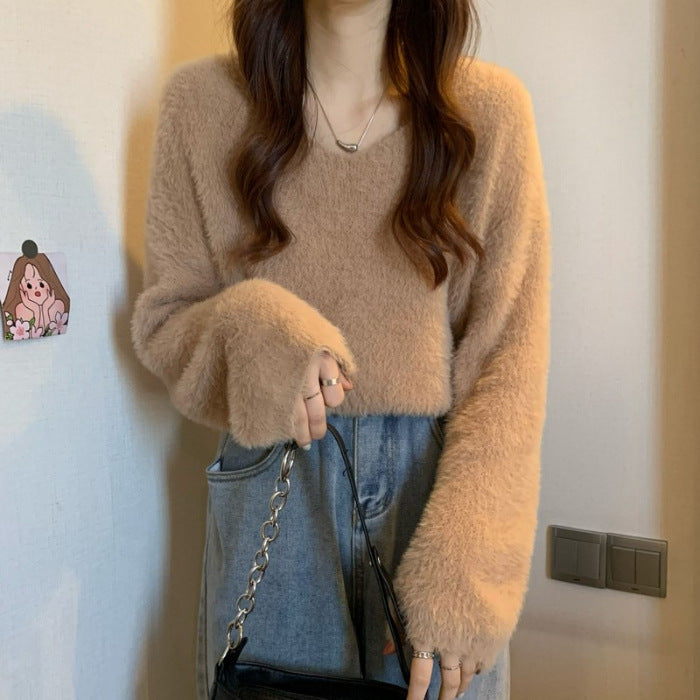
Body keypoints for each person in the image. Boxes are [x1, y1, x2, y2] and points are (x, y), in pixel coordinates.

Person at [129, 1, 551, 698]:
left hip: (441, 490)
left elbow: (508, 358)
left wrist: (472, 565)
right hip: (274, 481)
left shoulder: (487, 113)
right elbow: (166, 324)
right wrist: (262, 332)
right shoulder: (200, 106)